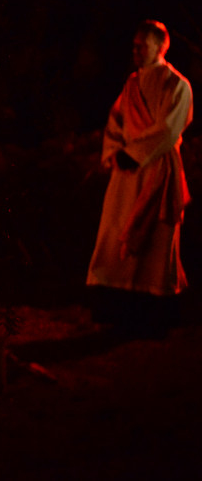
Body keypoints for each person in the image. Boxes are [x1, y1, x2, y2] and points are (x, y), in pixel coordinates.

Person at [87, 20, 192, 331]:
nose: (134, 51)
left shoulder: (177, 84)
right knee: (114, 230)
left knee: (156, 241)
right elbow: (116, 121)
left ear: (159, 47)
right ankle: (114, 305)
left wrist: (132, 153)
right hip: (127, 172)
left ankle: (152, 312)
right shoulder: (131, 84)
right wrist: (114, 153)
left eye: (140, 46)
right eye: (133, 45)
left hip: (157, 170)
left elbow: (169, 128)